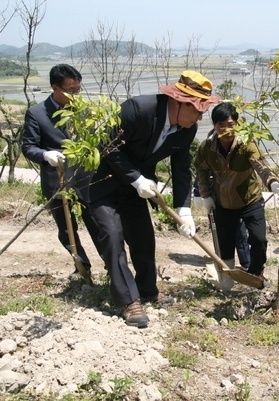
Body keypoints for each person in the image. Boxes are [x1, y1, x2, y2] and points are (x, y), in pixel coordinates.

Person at [87, 70, 220, 327]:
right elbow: (107, 145)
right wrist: (136, 178)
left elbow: (181, 170)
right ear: (180, 102)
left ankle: (147, 290)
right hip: (99, 182)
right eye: (198, 109)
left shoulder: (185, 130)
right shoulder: (138, 109)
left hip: (134, 188)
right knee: (113, 237)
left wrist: (184, 211)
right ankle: (129, 301)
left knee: (143, 239)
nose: (201, 116)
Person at [21, 64, 103, 277]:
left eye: (78, 90)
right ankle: (82, 266)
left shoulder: (84, 111)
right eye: (71, 91)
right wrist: (45, 155)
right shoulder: (37, 114)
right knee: (67, 229)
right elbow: (28, 147)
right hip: (56, 180)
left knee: (98, 224)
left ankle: (112, 266)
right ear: (55, 88)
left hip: (85, 180)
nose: (75, 95)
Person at [194, 102, 279, 281]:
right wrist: (205, 195)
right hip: (223, 203)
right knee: (225, 244)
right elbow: (201, 170)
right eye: (221, 126)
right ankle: (227, 277)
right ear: (214, 125)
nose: (227, 130)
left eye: (231, 125)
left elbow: (261, 166)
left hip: (250, 200)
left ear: (238, 124)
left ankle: (256, 272)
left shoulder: (247, 144)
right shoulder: (207, 148)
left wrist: (272, 182)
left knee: (259, 239)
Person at [193, 174, 251, 270]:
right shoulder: (212, 159)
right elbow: (202, 171)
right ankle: (224, 262)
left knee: (239, 232)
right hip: (215, 200)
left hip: (234, 199)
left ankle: (247, 263)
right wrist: (197, 192)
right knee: (219, 233)